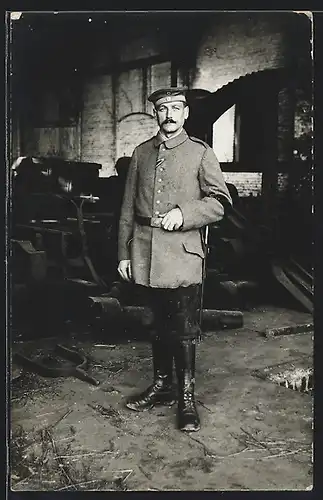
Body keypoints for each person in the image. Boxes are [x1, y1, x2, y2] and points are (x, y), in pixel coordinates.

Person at [117, 87, 232, 432]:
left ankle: (186, 399)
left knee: (183, 331)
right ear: (156, 114)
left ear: (185, 115)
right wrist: (124, 254)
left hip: (182, 257)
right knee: (155, 326)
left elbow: (220, 202)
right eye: (163, 108)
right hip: (146, 255)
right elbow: (125, 210)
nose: (169, 114)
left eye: (176, 108)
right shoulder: (140, 153)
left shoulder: (200, 153)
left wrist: (185, 213)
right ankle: (162, 386)